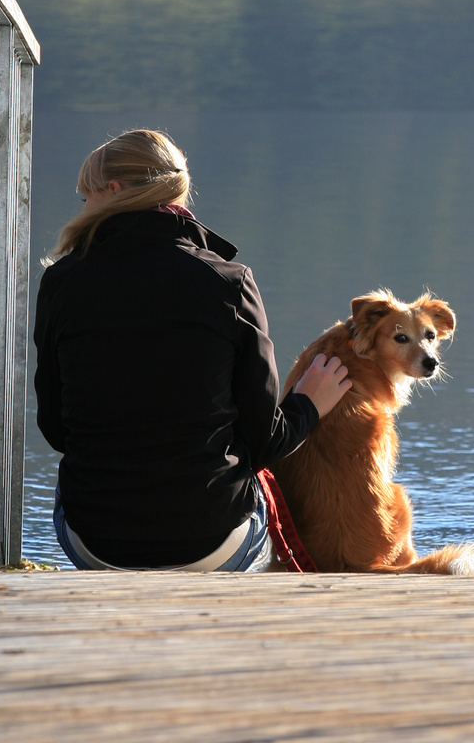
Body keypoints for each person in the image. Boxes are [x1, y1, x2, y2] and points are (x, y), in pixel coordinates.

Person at [33, 129, 350, 571]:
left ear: (114, 190)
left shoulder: (62, 282)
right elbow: (263, 442)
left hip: (97, 542)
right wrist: (308, 404)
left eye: (86, 196)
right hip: (211, 544)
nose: (83, 207)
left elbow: (55, 429)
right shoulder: (229, 282)